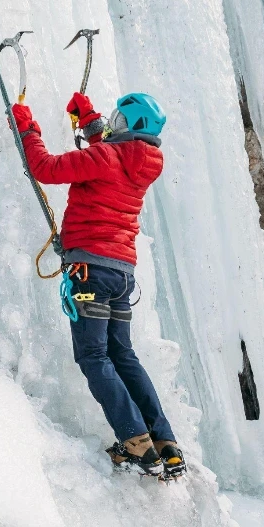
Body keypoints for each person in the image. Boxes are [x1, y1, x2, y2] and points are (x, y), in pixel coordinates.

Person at [11, 92, 186, 480]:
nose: (111, 123)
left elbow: (45, 166)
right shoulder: (142, 161)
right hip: (121, 273)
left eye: (116, 119)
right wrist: (88, 121)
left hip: (90, 269)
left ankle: (134, 439)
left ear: (126, 125)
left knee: (93, 356)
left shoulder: (108, 156)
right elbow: (109, 154)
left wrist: (26, 126)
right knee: (122, 354)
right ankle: (165, 442)